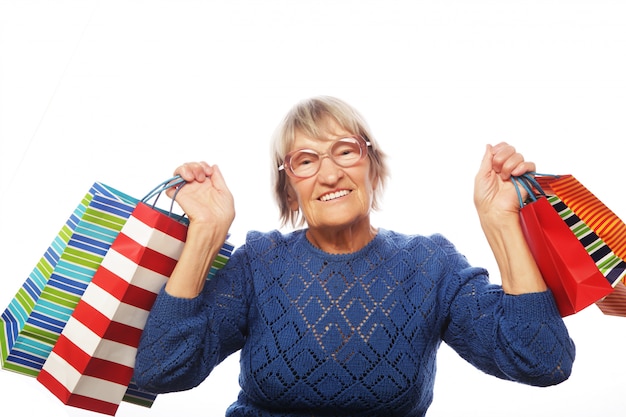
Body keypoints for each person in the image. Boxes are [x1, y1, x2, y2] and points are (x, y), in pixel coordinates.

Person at [133, 96, 575, 416]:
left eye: (345, 151)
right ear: (289, 189)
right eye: (305, 161)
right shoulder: (259, 262)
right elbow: (160, 370)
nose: (329, 173)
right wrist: (206, 234)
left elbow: (542, 362)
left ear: (372, 167)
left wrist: (501, 223)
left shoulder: (430, 264)